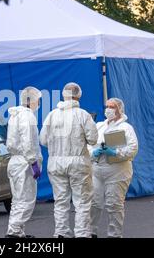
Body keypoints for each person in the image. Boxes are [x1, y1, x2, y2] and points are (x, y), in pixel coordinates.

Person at [40, 82, 98, 238]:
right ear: (78, 95)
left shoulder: (52, 115)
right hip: (78, 162)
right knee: (82, 201)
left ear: (63, 95)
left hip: (55, 163)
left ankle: (61, 233)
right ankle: (82, 233)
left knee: (60, 201)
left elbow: (43, 140)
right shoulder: (82, 115)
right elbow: (93, 139)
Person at [90, 98, 138, 238]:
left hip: (117, 171)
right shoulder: (99, 126)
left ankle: (114, 235)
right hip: (97, 170)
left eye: (112, 106)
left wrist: (116, 152)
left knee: (114, 205)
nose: (108, 109)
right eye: (107, 106)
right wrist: (93, 152)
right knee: (93, 202)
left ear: (119, 109)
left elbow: (133, 149)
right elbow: (88, 145)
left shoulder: (126, 128)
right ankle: (90, 232)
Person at [5, 86, 43, 238]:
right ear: (31, 101)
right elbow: (27, 141)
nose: (38, 103)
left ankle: (17, 231)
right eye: (38, 100)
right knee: (26, 199)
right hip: (24, 163)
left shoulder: (15, 115)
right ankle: (14, 232)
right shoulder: (27, 116)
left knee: (18, 199)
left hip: (15, 161)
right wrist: (33, 162)